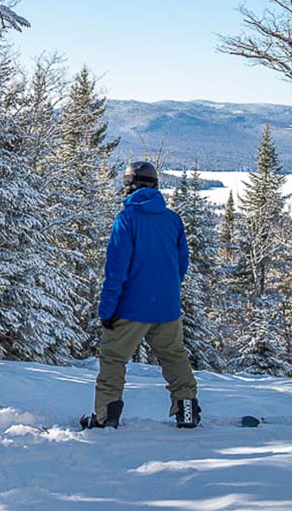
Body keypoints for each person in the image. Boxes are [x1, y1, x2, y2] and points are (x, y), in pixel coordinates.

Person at [81, 161, 200, 430]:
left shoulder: (127, 219)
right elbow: (181, 265)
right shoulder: (172, 219)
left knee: (113, 358)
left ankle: (106, 416)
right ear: (155, 185)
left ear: (128, 186)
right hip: (167, 309)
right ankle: (188, 410)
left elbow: (116, 270)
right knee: (174, 357)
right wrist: (165, 293)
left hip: (131, 308)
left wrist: (107, 310)